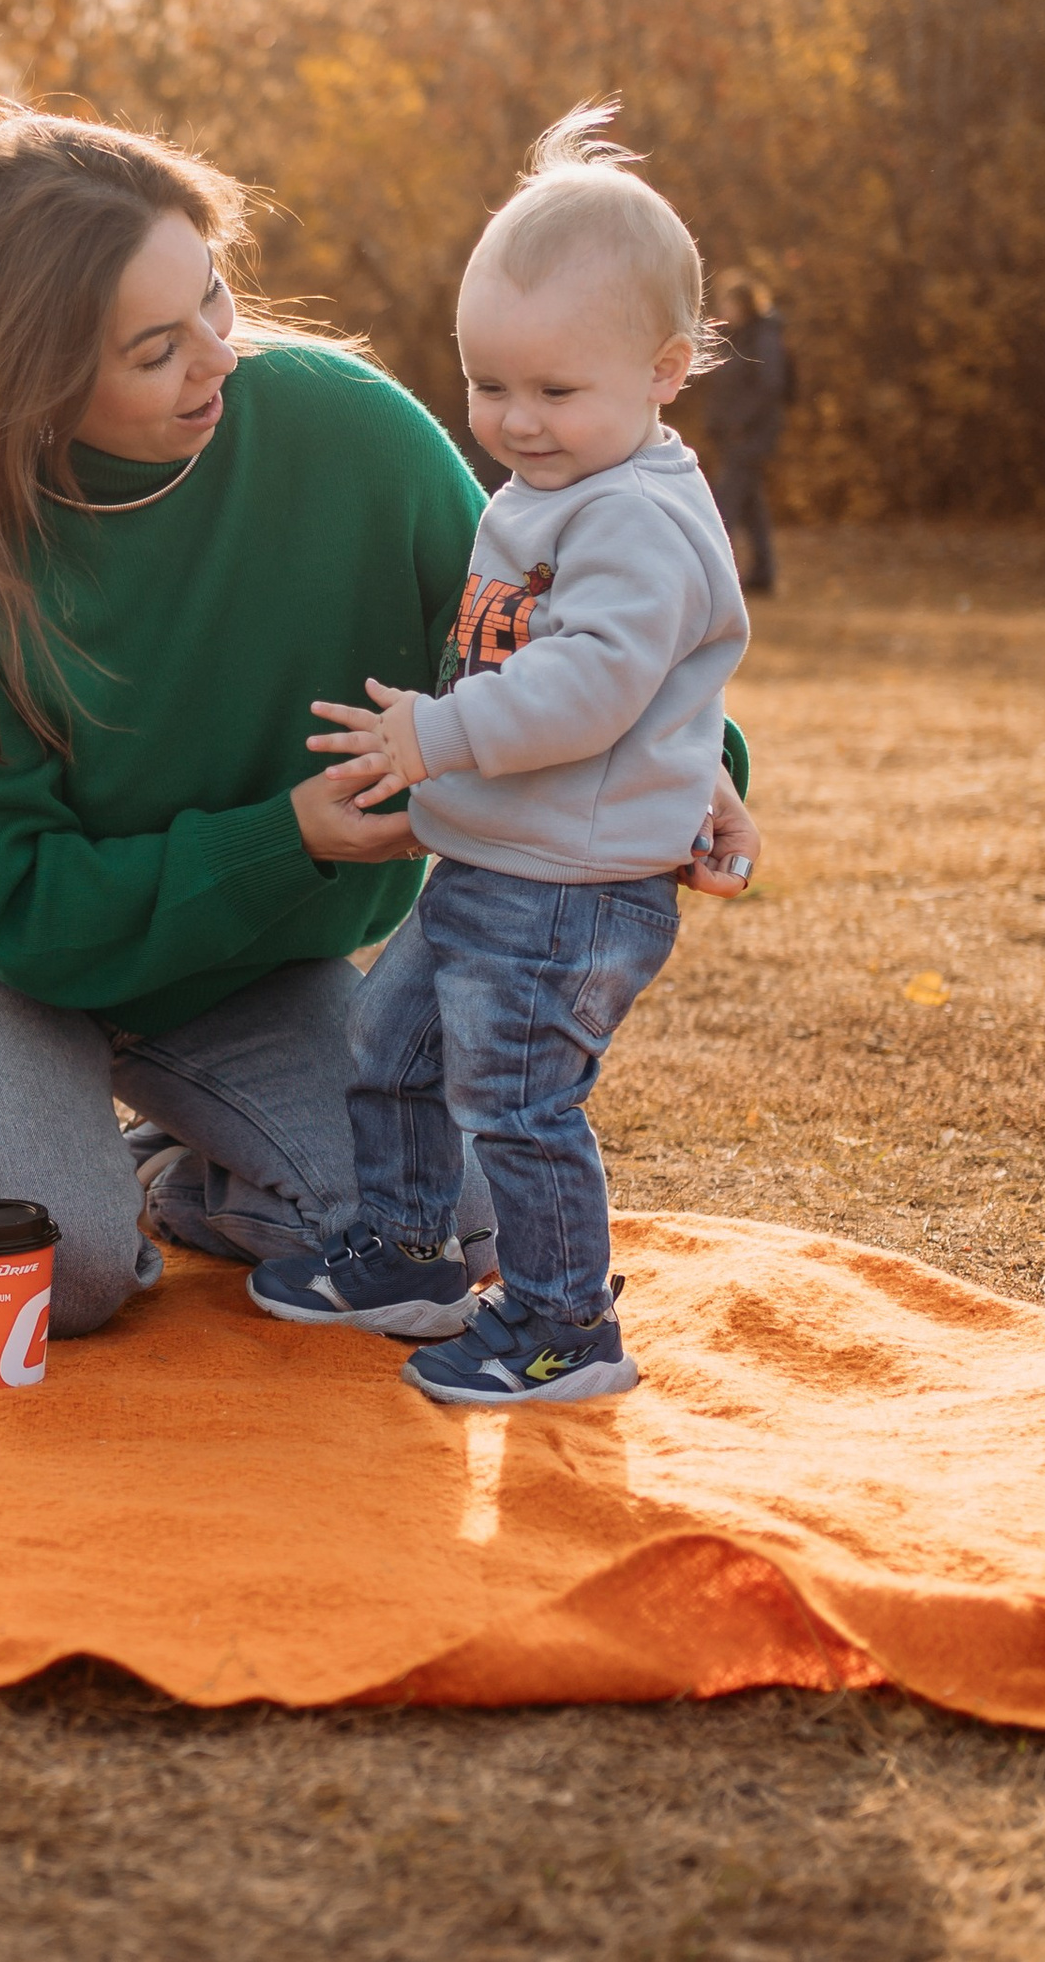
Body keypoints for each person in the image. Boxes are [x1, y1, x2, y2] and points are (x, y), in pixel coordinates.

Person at [0, 103, 758, 1339]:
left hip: (238, 962)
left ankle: (182, 1169)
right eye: (157, 350)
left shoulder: (346, 427)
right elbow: (26, 912)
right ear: (33, 384)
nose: (220, 356)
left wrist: (695, 766)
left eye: (211, 297)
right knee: (60, 1271)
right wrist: (292, 836)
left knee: (452, 1230)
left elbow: (551, 638)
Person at [253, 106, 750, 1404]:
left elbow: (591, 687)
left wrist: (434, 733)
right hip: (492, 859)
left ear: (665, 369)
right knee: (390, 1048)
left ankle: (562, 1324)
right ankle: (411, 1253)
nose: (516, 420)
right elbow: (651, 694)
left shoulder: (634, 516)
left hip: (568, 892)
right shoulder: (560, 488)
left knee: (519, 1105)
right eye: (488, 384)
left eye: (554, 391)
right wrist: (699, 776)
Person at [703, 272, 792, 593]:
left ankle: (713, 574)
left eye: (728, 302)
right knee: (752, 504)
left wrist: (741, 423)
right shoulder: (742, 336)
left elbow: (770, 386)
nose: (723, 308)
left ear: (743, 305)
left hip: (751, 434)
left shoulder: (763, 337)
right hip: (739, 433)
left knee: (725, 502)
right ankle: (764, 574)